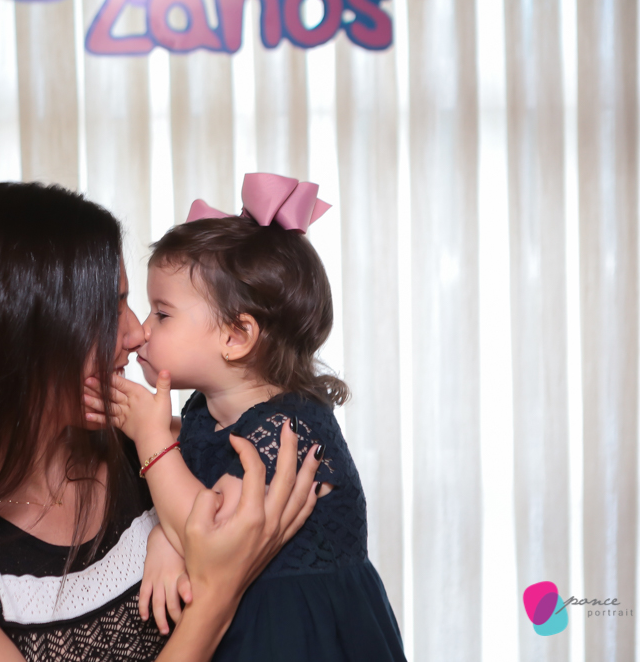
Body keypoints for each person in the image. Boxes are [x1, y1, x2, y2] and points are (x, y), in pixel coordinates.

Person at [0, 181, 324, 662]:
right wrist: (217, 593)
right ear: (20, 336)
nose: (136, 334)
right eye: (110, 308)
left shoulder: (155, 449)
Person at [84, 174, 407, 661]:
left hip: (301, 640)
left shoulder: (290, 430)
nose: (141, 332)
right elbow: (197, 485)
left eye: (162, 314)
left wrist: (151, 441)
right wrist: (164, 535)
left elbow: (210, 535)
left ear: (236, 337)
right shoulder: (204, 410)